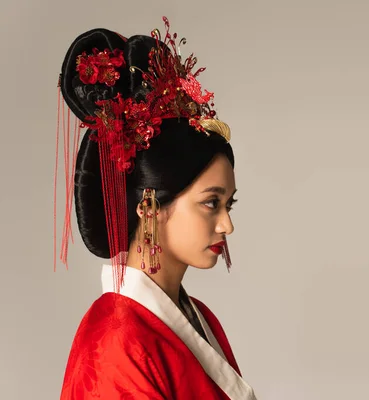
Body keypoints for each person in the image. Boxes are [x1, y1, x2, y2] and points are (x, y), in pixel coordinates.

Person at [54, 16, 258, 399]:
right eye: (211, 203)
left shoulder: (198, 316)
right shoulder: (115, 338)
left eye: (228, 204)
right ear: (150, 205)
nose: (226, 225)